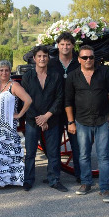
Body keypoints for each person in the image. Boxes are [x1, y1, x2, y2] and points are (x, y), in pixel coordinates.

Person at [65, 45, 109, 203]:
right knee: (84, 155)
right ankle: (86, 183)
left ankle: (105, 188)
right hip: (81, 121)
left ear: (95, 59)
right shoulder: (73, 76)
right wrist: (71, 122)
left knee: (103, 156)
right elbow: (68, 101)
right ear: (79, 59)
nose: (88, 60)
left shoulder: (105, 73)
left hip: (102, 121)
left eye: (91, 57)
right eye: (84, 57)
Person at [21, 45, 67, 192]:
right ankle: (28, 180)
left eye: (45, 56)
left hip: (52, 119)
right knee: (30, 152)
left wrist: (46, 116)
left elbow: (59, 98)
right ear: (34, 59)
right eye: (39, 56)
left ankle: (54, 180)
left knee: (53, 152)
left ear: (48, 58)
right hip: (32, 121)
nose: (42, 59)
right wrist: (38, 119)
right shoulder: (27, 76)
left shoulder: (55, 75)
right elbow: (25, 99)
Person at [0, 60, 32, 187]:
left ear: (9, 71)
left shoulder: (14, 85)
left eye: (6, 70)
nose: (4, 73)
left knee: (7, 151)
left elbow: (28, 100)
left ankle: (11, 179)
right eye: (1, 70)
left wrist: (19, 114)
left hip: (8, 125)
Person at [48, 31, 81, 183]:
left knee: (76, 144)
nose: (65, 47)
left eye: (68, 44)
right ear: (58, 46)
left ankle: (81, 176)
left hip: (75, 108)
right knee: (54, 145)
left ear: (73, 45)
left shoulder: (79, 62)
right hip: (55, 109)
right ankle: (54, 177)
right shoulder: (52, 63)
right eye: (62, 44)